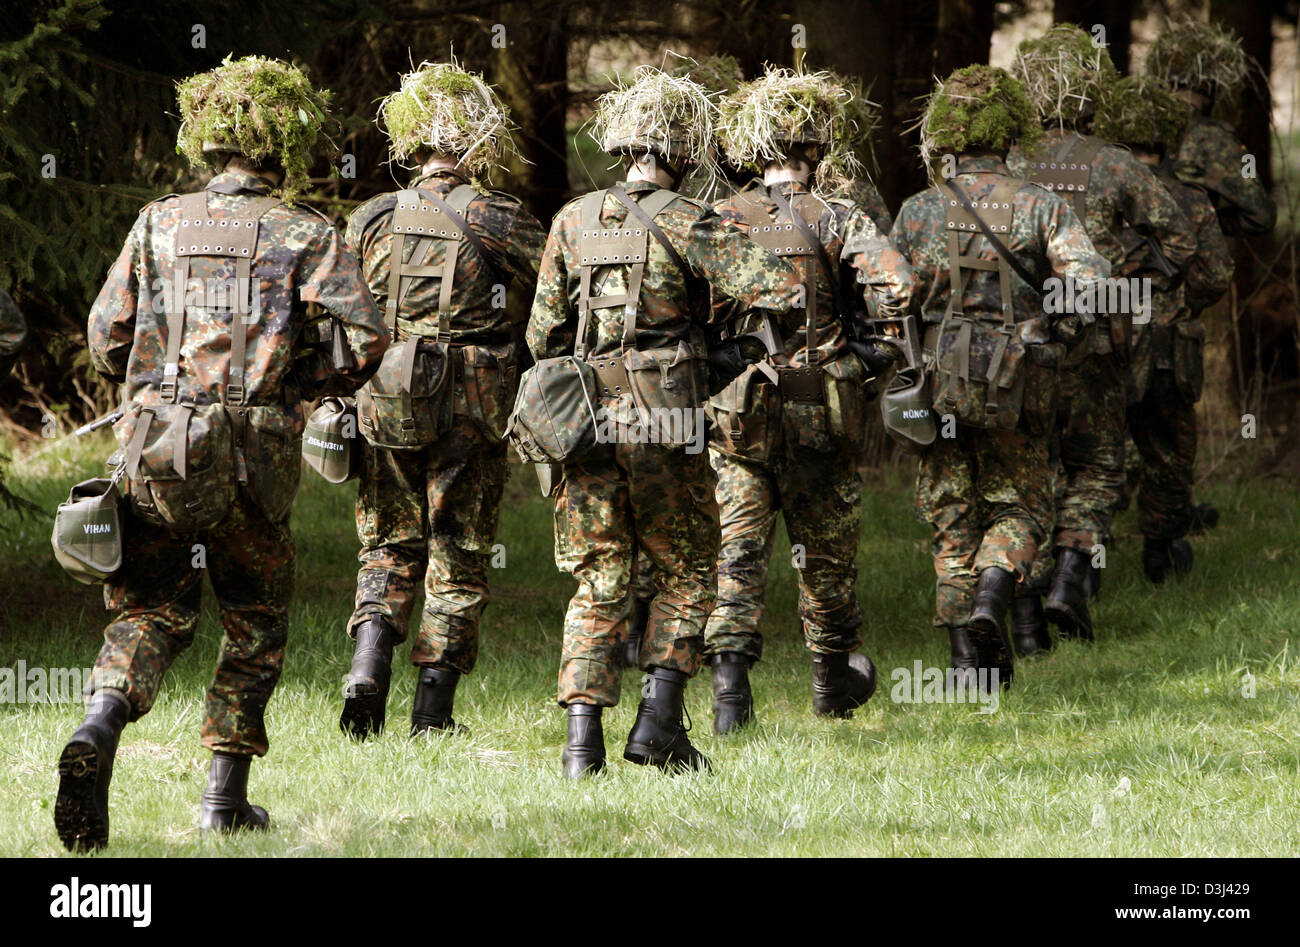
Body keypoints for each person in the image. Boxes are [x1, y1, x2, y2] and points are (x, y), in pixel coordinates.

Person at [54, 56, 387, 851]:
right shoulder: (306, 231)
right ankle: (222, 798)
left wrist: (151, 380)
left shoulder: (157, 221)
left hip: (157, 452)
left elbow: (106, 337)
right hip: (253, 457)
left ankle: (100, 722)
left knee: (149, 610)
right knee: (254, 621)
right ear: (283, 144)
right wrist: (301, 379)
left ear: (210, 140)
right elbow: (370, 338)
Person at [527, 66, 803, 776]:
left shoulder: (572, 219)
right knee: (684, 569)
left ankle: (580, 745)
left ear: (626, 145)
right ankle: (659, 726)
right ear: (684, 151)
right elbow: (781, 287)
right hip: (665, 419)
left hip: (584, 419)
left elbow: (541, 338)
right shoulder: (691, 220)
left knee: (597, 575)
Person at [701, 66, 913, 733]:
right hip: (820, 406)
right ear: (815, 153)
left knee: (738, 549)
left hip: (738, 407)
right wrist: (872, 353)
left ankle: (731, 699)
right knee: (826, 551)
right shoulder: (841, 217)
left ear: (756, 152)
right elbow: (898, 289)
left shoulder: (720, 219)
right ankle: (832, 687)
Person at [338, 62, 547, 740]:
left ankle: (368, 667)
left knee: (387, 543)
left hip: (386, 397)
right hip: (472, 405)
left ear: (412, 143)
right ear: (479, 142)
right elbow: (557, 280)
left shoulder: (369, 218)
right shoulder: (497, 215)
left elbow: (341, 316)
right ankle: (431, 714)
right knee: (457, 548)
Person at [891, 64, 1109, 688]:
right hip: (1019, 385)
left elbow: (889, 298)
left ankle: (968, 668)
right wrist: (1047, 332)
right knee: (1021, 509)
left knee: (950, 512)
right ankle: (993, 593)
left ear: (946, 139)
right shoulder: (1042, 204)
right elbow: (1089, 284)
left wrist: (911, 357)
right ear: (1011, 135)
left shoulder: (918, 211)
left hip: (940, 385)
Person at [1008, 25, 1194, 654]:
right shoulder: (1114, 163)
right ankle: (1070, 577)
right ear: (1093, 97)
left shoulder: (1011, 162)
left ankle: (1029, 615)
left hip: (1023, 343)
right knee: (1099, 463)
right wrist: (1133, 281)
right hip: (1096, 339)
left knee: (1034, 469)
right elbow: (1182, 238)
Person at [1096, 76, 1234, 582]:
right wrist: (1179, 304)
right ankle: (1160, 555)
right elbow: (1217, 274)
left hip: (1103, 337)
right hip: (1166, 345)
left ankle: (1084, 559)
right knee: (1168, 450)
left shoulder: (1098, 189)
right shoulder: (1190, 198)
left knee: (1096, 448)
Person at [1145, 16, 1276, 239]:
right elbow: (1261, 215)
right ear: (1210, 86)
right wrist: (1205, 222)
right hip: (1186, 264)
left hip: (1120, 267)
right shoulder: (1214, 137)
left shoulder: (1131, 121)